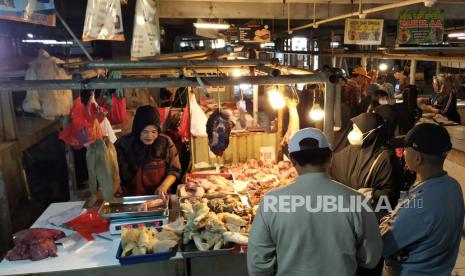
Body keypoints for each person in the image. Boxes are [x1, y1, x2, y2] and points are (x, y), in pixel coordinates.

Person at [247, 128, 382, 276]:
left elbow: (258, 263)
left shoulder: (271, 201)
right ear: (330, 157)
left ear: (292, 160)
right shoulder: (357, 201)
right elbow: (370, 258)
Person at [381, 123, 464, 276]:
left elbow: (382, 245)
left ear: (418, 158)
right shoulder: (453, 186)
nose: (403, 152)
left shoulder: (419, 207)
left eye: (406, 149)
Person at [330, 113, 402, 211]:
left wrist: (374, 194)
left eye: (357, 130)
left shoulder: (385, 158)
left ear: (370, 133)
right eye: (353, 129)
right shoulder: (349, 151)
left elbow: (393, 195)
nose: (353, 133)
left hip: (371, 215)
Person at [115, 105, 181, 197]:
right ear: (137, 130)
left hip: (159, 198)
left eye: (154, 132)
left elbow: (175, 170)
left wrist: (164, 186)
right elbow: (113, 172)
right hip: (131, 199)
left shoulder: (165, 142)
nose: (149, 136)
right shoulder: (123, 144)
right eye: (145, 132)